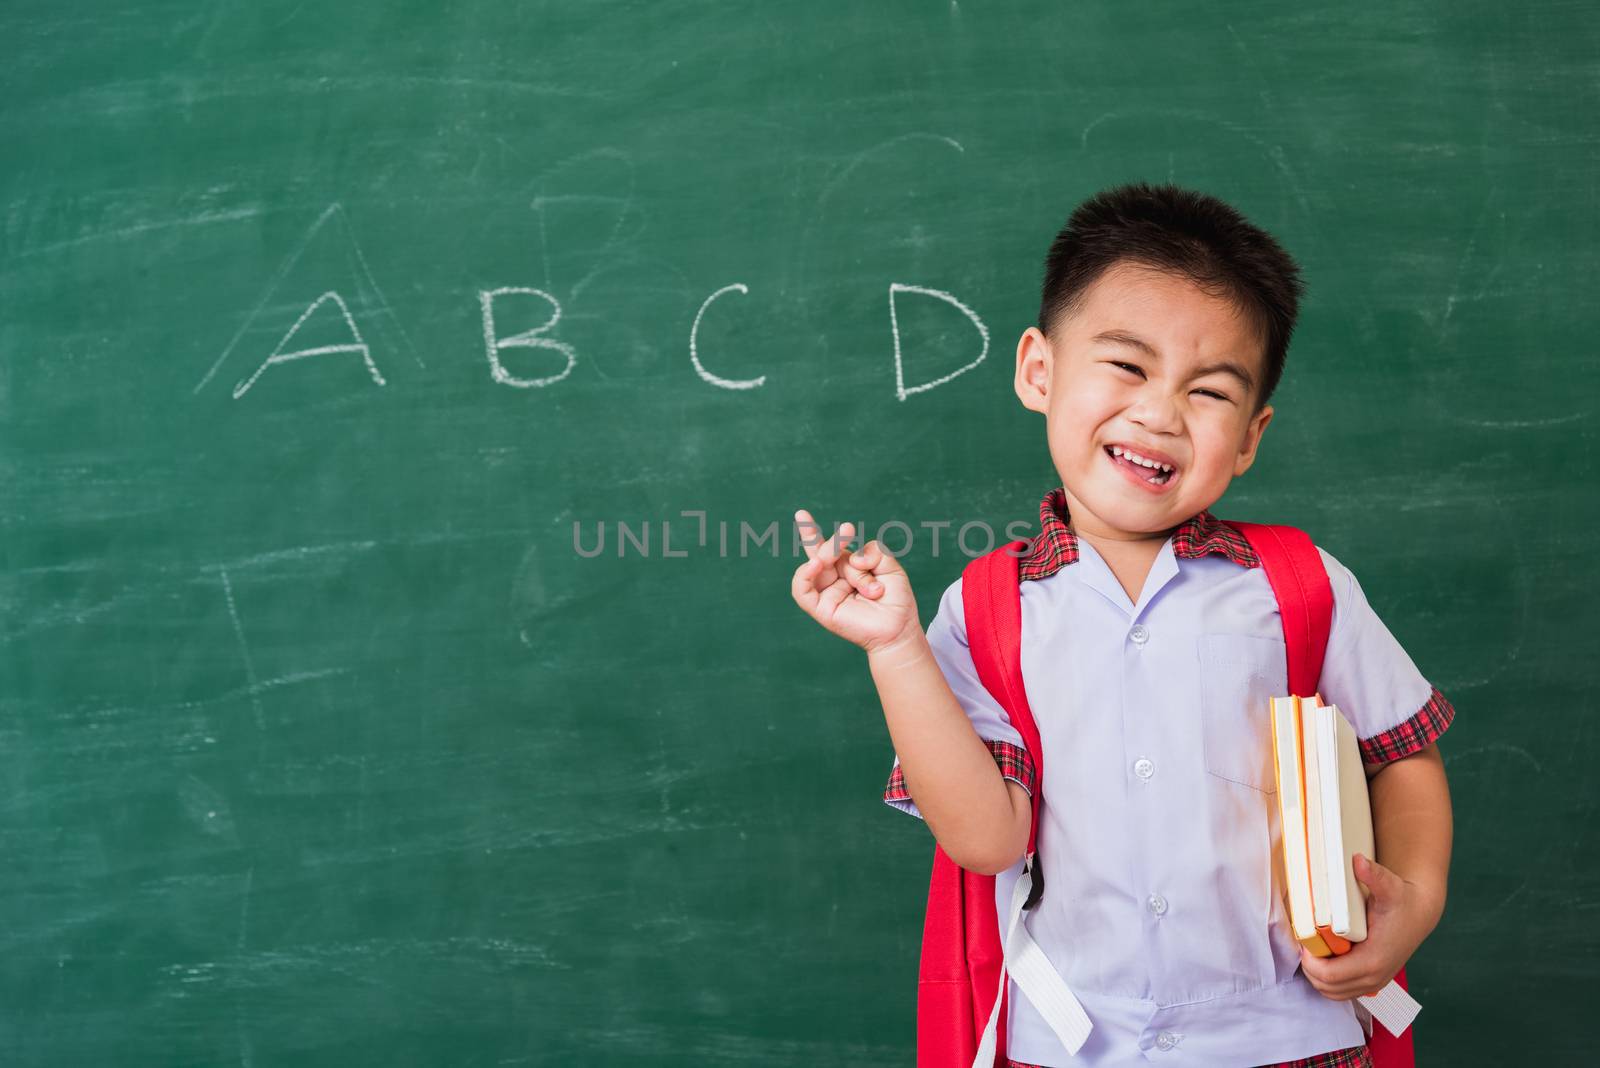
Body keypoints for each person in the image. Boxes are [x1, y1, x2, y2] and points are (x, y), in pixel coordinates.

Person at [790, 182, 1454, 1067]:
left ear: (1251, 437)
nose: (1160, 412)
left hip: (1288, 1037)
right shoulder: (987, 611)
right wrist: (897, 650)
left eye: (1210, 392)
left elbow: (1401, 755)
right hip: (1071, 1042)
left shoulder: (1301, 585)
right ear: (1038, 370)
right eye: (1128, 366)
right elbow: (988, 840)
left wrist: (1419, 897)